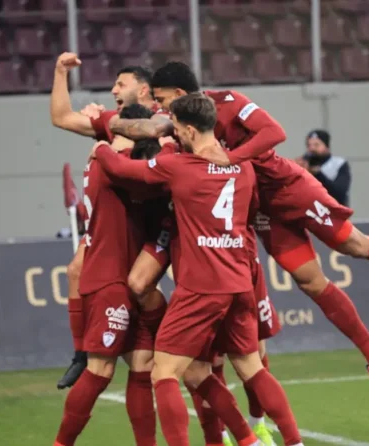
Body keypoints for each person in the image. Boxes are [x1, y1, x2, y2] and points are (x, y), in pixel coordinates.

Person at [108, 61, 369, 400]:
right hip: (263, 207)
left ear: (179, 93)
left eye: (162, 99)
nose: (159, 107)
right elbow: (149, 128)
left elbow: (275, 132)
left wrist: (233, 157)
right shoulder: (179, 122)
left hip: (289, 188)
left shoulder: (228, 102)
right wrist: (111, 124)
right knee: (310, 281)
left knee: (353, 244)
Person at [95, 93, 304, 446]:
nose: (174, 134)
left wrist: (102, 147)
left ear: (190, 130)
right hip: (239, 282)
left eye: (176, 128)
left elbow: (121, 170)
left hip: (202, 287)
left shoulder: (180, 167)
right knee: (250, 367)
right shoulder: (243, 167)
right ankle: (293, 442)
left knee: (164, 373)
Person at [50, 53, 162, 390]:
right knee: (76, 270)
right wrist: (60, 73)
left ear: (143, 90)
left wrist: (105, 147)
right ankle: (80, 354)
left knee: (140, 286)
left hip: (163, 222)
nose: (113, 90)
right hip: (119, 221)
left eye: (120, 84)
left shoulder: (166, 121)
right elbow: (61, 117)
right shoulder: (116, 121)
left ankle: (169, 333)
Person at [54, 132, 169, 446]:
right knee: (101, 370)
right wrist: (106, 143)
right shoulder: (112, 169)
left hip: (136, 282)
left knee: (143, 366)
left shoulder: (120, 170)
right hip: (111, 283)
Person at [295, 129, 351, 206]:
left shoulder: (339, 164)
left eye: (316, 145)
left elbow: (339, 193)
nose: (312, 149)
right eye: (309, 145)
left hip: (334, 211)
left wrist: (317, 174)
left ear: (327, 146)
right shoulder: (302, 164)